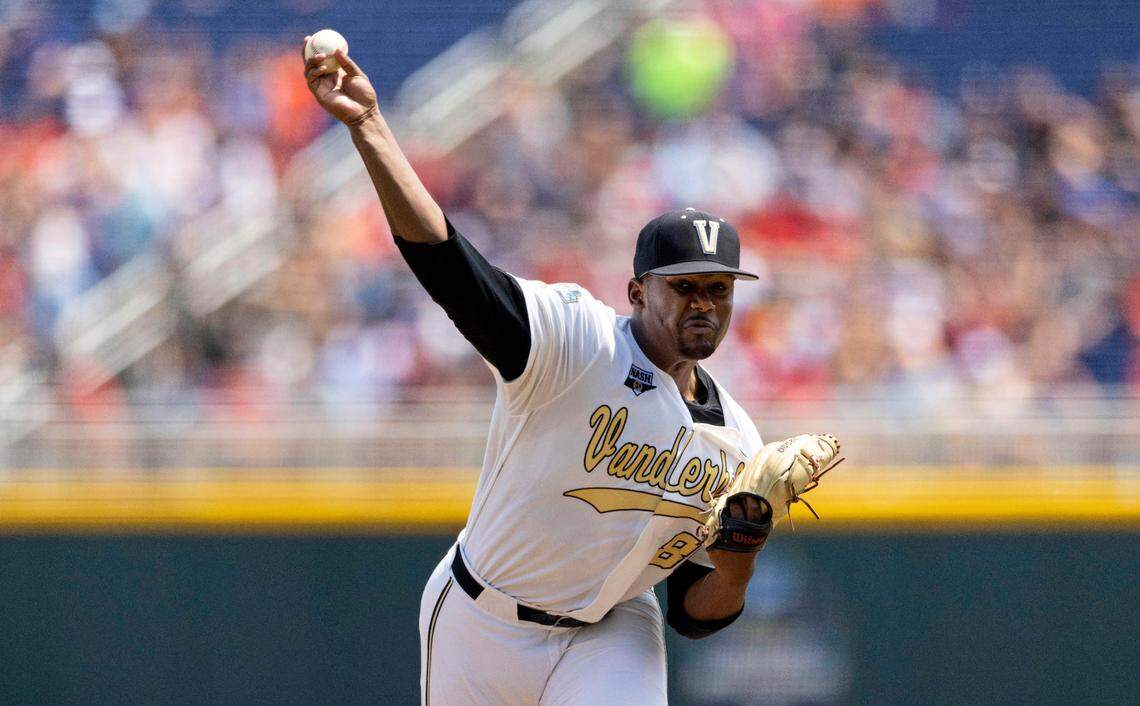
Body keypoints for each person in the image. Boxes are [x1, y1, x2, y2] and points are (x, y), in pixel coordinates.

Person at [304, 41, 775, 705]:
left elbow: (695, 612)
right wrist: (369, 128)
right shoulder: (573, 340)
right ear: (638, 293)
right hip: (479, 619)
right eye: (684, 286)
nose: (704, 304)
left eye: (718, 289)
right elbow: (450, 266)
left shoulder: (738, 444)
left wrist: (740, 560)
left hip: (610, 633)